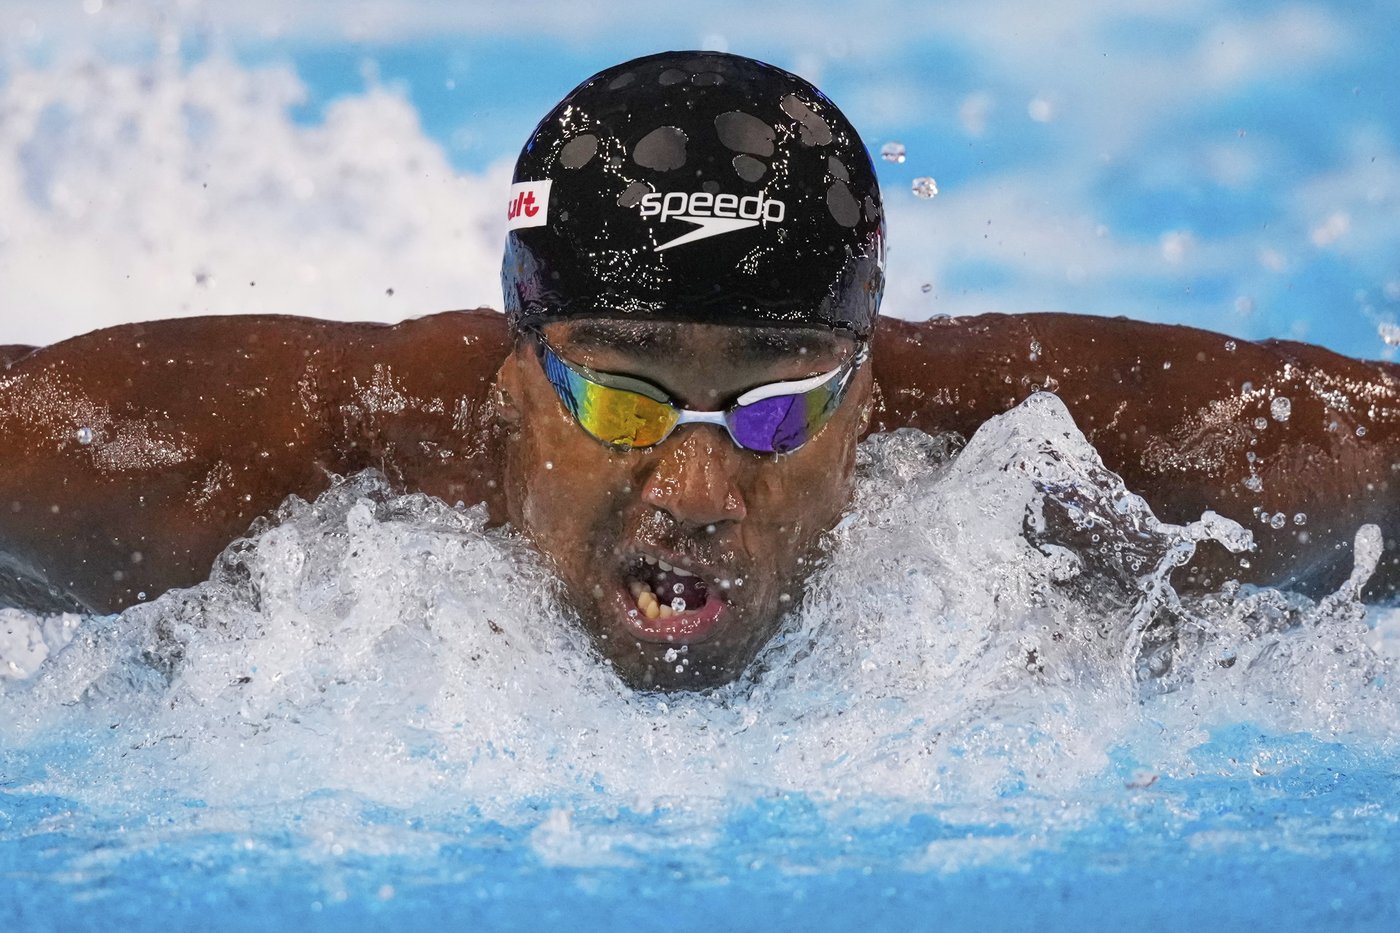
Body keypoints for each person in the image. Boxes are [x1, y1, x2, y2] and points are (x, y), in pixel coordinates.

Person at [2, 51, 1398, 690]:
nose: (696, 484)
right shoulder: (232, 462)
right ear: (514, 371)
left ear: (868, 391)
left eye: (780, 404)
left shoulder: (1072, 451)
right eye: (620, 397)